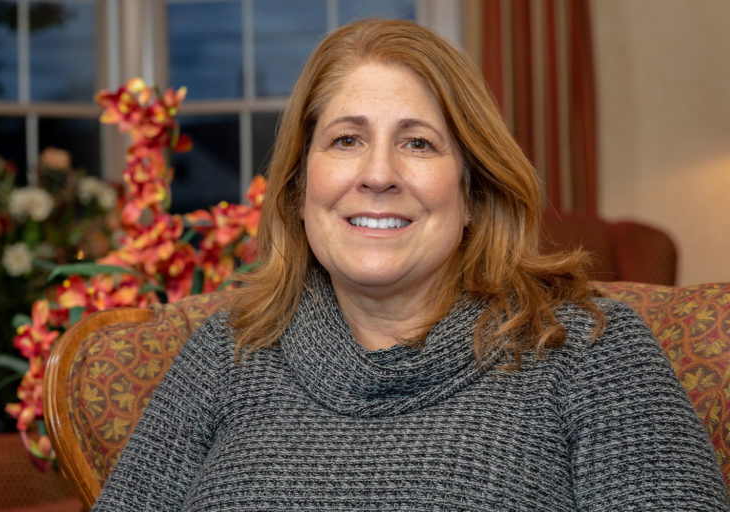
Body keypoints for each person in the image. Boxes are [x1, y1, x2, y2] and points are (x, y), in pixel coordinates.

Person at [92, 18, 729, 511]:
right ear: (297, 187)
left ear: (474, 192)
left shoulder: (592, 351)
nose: (377, 175)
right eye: (347, 139)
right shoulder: (222, 355)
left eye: (417, 143)